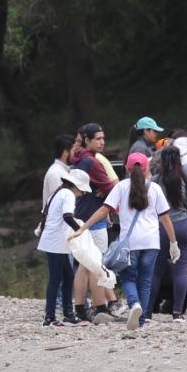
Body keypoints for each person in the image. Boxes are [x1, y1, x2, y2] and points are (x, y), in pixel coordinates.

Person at [79, 152, 173, 330]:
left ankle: (134, 304)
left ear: (127, 168)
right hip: (151, 242)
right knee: (145, 281)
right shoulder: (155, 189)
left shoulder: (121, 187)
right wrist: (174, 243)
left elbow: (104, 210)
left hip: (129, 243)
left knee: (128, 277)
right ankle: (142, 319)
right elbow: (166, 218)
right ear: (147, 169)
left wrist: (83, 228)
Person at [71, 127, 120, 321]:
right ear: (87, 140)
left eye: (103, 138)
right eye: (98, 139)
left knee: (84, 264)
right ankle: (100, 308)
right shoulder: (93, 162)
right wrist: (106, 192)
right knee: (96, 264)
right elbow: (112, 187)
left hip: (81, 215)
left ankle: (81, 308)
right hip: (94, 219)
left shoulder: (79, 160)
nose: (102, 142)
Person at [150, 143, 187, 321]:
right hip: (184, 227)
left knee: (156, 270)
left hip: (162, 229)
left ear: (162, 161)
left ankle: (148, 312)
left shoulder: (155, 181)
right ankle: (178, 313)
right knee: (180, 270)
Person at [38, 168, 89, 326]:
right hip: (56, 242)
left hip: (56, 241)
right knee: (55, 279)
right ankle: (50, 317)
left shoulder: (58, 192)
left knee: (68, 276)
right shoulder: (68, 194)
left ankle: (68, 313)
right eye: (83, 190)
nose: (83, 194)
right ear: (77, 186)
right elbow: (67, 216)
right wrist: (79, 230)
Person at [42, 134, 81, 206]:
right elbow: (58, 205)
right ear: (65, 152)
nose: (76, 154)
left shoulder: (66, 170)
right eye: (74, 150)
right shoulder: (55, 174)